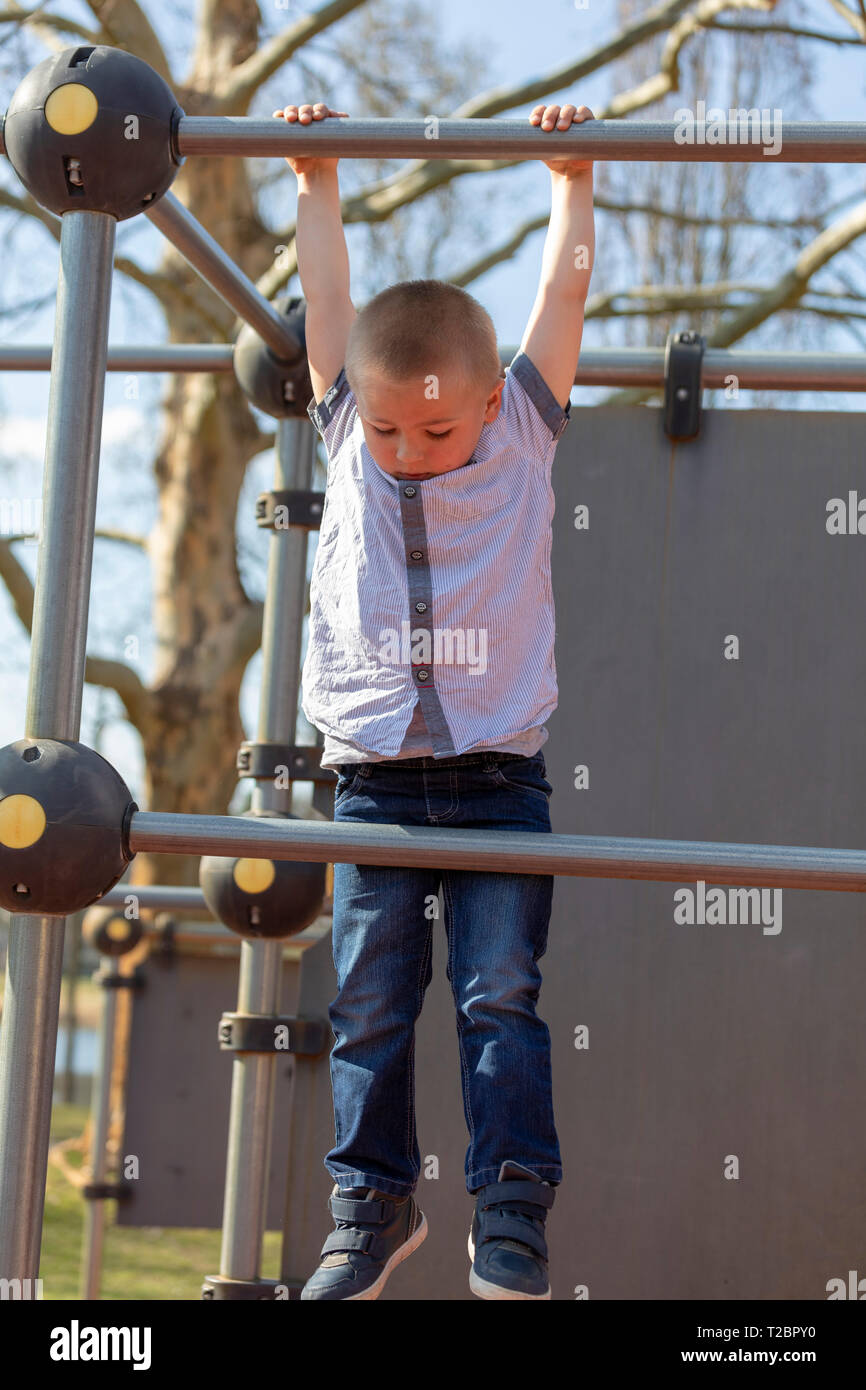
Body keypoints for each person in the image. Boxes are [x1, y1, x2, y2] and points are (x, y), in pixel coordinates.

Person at [272, 97, 595, 1300]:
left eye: (436, 426)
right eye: (394, 428)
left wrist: (571, 179)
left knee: (498, 994)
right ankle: (368, 1206)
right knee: (365, 998)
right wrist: (315, 177)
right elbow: (327, 300)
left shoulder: (520, 427)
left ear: (484, 401)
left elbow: (560, 300)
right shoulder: (352, 422)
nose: (410, 446)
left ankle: (507, 1209)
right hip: (371, 777)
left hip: (495, 778)